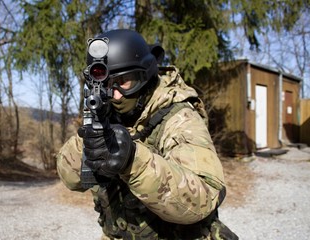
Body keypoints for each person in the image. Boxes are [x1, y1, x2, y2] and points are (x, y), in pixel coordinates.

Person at [57, 29, 238, 240]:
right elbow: (70, 179)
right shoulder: (106, 112)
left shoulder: (178, 117)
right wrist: (88, 141)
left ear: (145, 75)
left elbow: (202, 198)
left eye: (124, 82)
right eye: (107, 84)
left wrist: (133, 161)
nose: (115, 95)